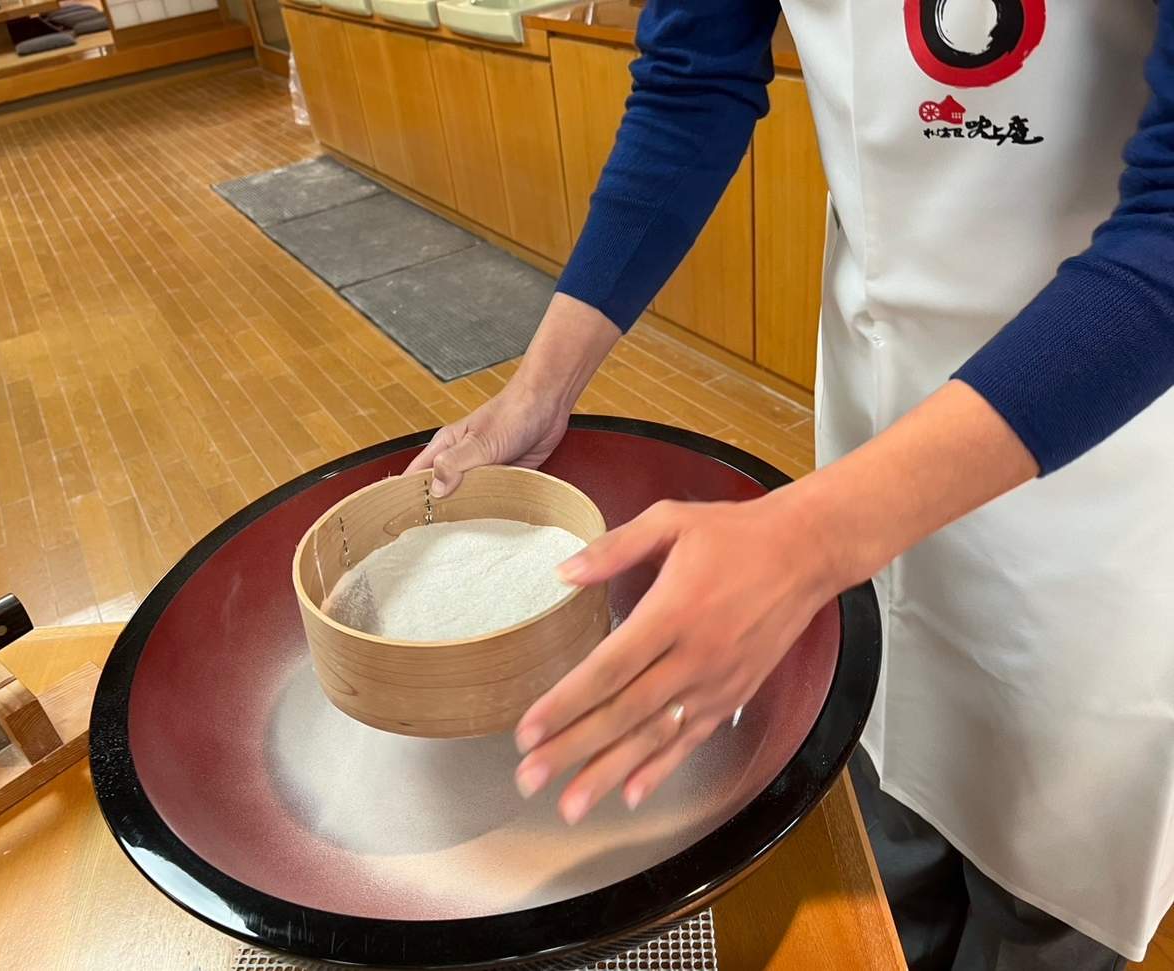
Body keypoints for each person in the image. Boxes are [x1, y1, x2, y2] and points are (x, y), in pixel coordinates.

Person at [406, 2, 1174, 968]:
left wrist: (811, 538)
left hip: (1099, 428)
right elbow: (692, 79)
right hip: (877, 383)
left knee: (1039, 877)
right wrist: (538, 387)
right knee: (885, 797)